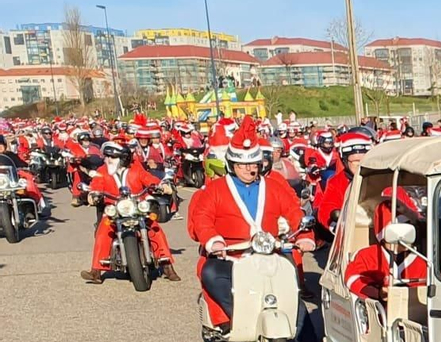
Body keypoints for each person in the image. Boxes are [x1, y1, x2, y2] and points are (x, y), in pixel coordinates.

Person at [188, 121, 311, 329]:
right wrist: (213, 241)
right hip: (230, 254)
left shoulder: (273, 186)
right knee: (211, 273)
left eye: (254, 164)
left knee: (290, 282)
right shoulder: (215, 189)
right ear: (232, 165)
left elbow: (293, 210)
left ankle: (307, 338)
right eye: (243, 164)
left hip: (269, 250)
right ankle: (237, 317)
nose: (250, 169)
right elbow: (202, 217)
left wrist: (304, 235)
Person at [80, 141, 180, 283]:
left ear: (123, 159)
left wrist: (161, 185)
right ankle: (96, 271)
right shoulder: (102, 171)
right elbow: (96, 183)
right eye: (107, 156)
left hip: (137, 207)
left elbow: (148, 179)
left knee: (155, 230)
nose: (108, 160)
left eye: (112, 157)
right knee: (102, 232)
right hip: (115, 209)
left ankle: (167, 266)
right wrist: (93, 194)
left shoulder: (136, 169)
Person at [345, 188, 427, 301]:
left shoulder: (420, 261)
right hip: (378, 314)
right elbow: (353, 278)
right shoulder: (368, 255)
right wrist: (377, 292)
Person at [314, 128, 373, 237]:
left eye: (364, 160)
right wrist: (335, 223)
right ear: (345, 160)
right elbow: (327, 207)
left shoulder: (380, 177)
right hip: (352, 233)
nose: (360, 164)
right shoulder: (337, 182)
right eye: (355, 161)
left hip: (380, 229)